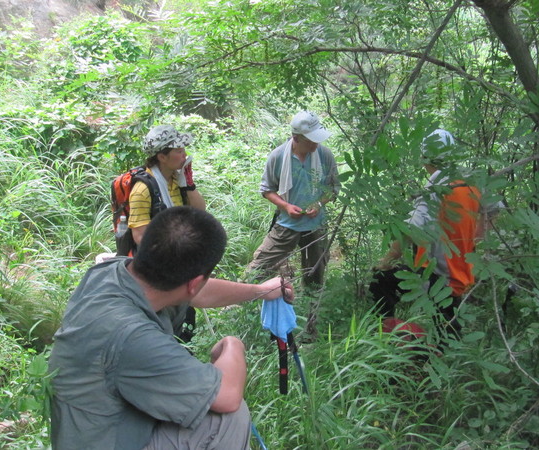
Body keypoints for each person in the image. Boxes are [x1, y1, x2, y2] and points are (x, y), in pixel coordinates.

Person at [49, 206, 293, 450]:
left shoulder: (111, 273)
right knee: (226, 420)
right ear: (194, 282)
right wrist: (233, 346)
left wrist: (261, 292)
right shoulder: (133, 337)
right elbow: (227, 396)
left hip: (97, 426)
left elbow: (198, 292)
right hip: (105, 441)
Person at [370, 129, 481, 343]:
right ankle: (440, 347)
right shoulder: (470, 181)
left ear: (424, 158)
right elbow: (495, 211)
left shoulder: (435, 189)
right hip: (465, 269)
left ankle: (390, 339)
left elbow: (410, 231)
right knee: (447, 322)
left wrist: (385, 261)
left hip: (438, 275)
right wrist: (473, 241)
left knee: (380, 279)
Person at [246, 111, 341, 290]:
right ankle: (241, 300)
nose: (315, 143)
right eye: (310, 140)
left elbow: (333, 187)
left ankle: (313, 309)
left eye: (317, 139)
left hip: (316, 224)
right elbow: (267, 189)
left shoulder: (324, 155)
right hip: (287, 223)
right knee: (260, 267)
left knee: (315, 271)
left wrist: (319, 204)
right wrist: (286, 206)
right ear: (296, 138)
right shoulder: (278, 156)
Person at [129, 125, 206, 248]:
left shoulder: (177, 179)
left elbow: (200, 211)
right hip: (159, 259)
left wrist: (189, 185)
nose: (184, 155)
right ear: (162, 157)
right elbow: (140, 236)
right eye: (179, 151)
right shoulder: (142, 190)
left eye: (183, 150)